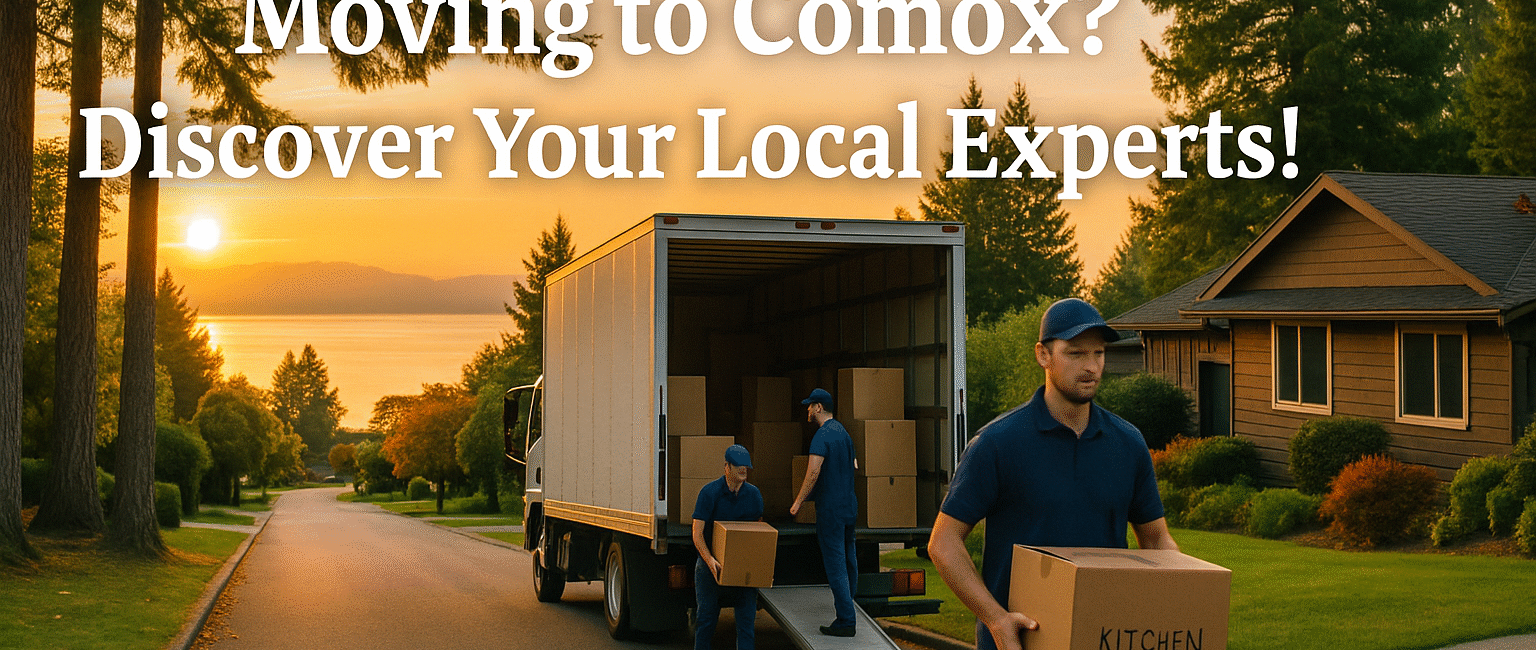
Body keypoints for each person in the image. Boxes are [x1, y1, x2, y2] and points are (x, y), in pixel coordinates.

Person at [928, 298, 1178, 650]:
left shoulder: (1127, 443)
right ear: (1043, 355)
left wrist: (1185, 593)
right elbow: (944, 541)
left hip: (1103, 637)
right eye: (1076, 354)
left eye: (1099, 353)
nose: (1091, 366)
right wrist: (996, 619)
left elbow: (1155, 539)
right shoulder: (998, 443)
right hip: (1021, 642)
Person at [789, 388, 859, 638]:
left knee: (836, 564)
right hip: (849, 506)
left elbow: (813, 473)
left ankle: (845, 620)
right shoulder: (843, 433)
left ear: (819, 408)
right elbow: (854, 464)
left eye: (810, 406)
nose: (807, 410)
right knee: (849, 558)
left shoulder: (821, 437)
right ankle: (849, 606)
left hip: (831, 510)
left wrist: (798, 502)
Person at [692, 444, 766, 650]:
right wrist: (710, 561)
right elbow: (697, 534)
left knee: (746, 624)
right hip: (710, 567)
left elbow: (757, 533)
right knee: (705, 621)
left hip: (742, 569)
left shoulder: (754, 495)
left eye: (746, 466)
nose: (743, 470)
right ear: (727, 466)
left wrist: (758, 566)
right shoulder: (709, 493)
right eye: (738, 466)